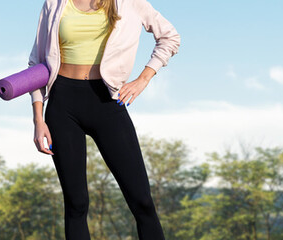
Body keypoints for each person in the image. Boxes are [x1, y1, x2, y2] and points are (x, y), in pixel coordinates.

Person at [26, 0, 180, 239]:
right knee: (76, 204)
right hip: (62, 105)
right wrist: (38, 119)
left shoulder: (129, 2)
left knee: (142, 201)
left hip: (107, 102)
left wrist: (143, 79)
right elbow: (36, 62)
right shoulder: (54, 3)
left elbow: (170, 37)